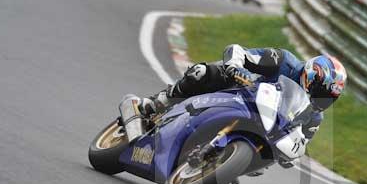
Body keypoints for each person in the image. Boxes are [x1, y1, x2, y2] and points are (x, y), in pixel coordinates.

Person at [119, 44, 347, 147]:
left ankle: (217, 163)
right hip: (238, 89)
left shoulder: (313, 117)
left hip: (260, 128)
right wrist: (235, 66)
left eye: (328, 97)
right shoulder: (284, 61)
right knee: (202, 73)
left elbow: (299, 146)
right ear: (311, 76)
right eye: (320, 91)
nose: (321, 99)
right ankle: (156, 104)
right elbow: (239, 51)